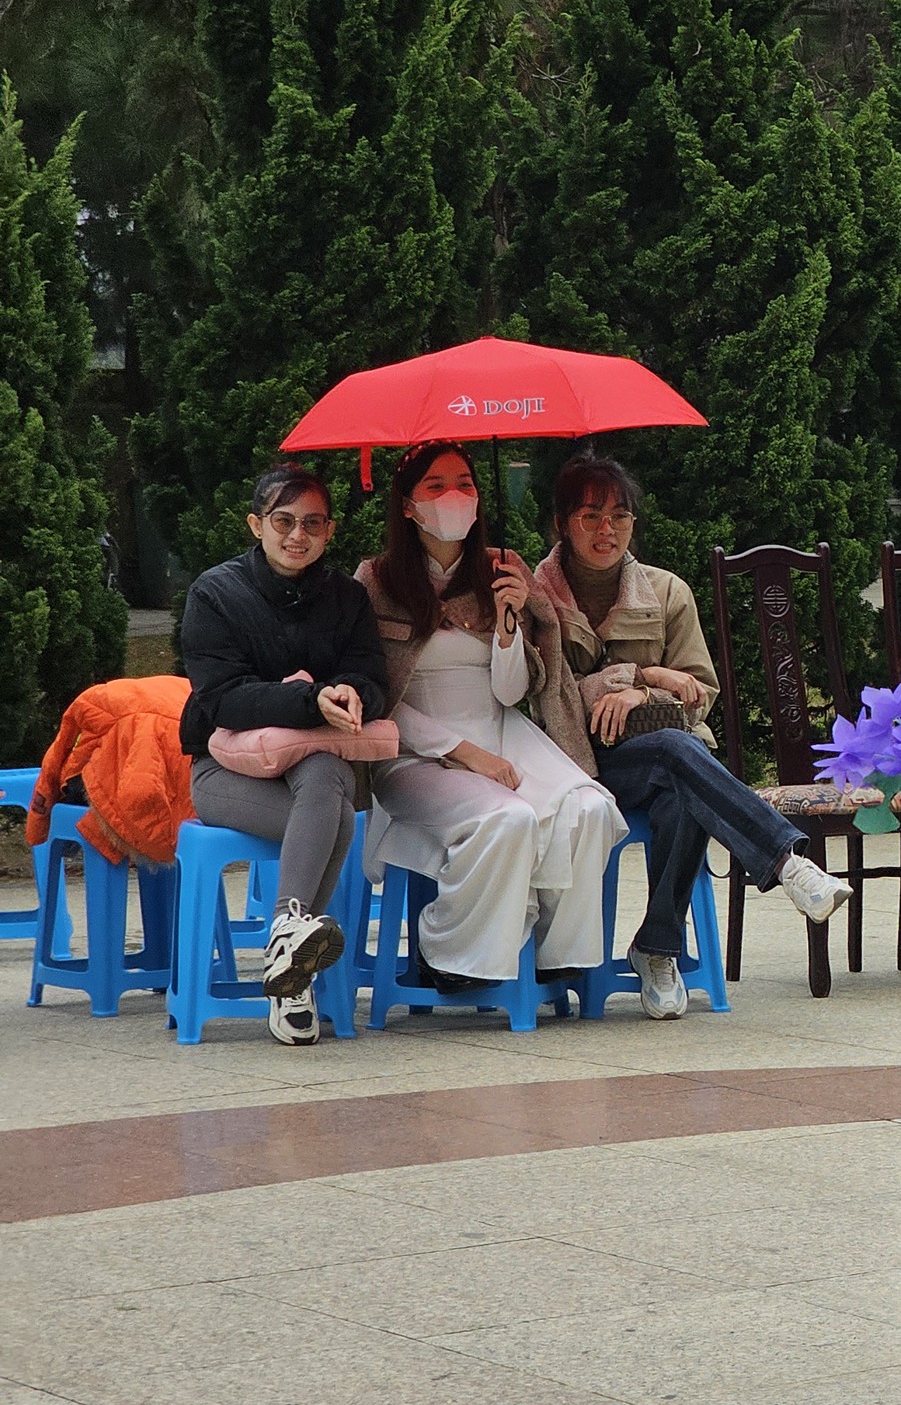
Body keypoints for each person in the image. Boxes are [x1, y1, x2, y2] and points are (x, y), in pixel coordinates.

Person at [531, 455, 853, 1019]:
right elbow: (545, 698)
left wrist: (644, 698)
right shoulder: (538, 599)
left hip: (658, 755)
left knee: (683, 779)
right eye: (590, 516)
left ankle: (656, 948)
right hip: (574, 764)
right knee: (685, 764)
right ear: (561, 522)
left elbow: (699, 692)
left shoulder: (666, 592)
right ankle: (785, 861)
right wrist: (641, 675)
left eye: (620, 516)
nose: (606, 530)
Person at [360, 444, 624, 990]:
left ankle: (557, 952)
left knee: (590, 807)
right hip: (415, 751)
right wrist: (461, 752)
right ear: (407, 506)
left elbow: (513, 691)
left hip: (500, 728)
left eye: (464, 483)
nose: (453, 497)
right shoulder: (377, 581)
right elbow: (374, 696)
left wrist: (508, 623)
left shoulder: (502, 570)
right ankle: (450, 953)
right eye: (436, 486)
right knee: (508, 818)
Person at [177, 464, 390, 1044]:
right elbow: (219, 698)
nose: (298, 535)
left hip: (311, 772)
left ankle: (286, 954)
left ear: (330, 531)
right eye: (284, 521)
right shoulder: (215, 593)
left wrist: (352, 692)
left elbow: (372, 675)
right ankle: (294, 970)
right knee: (338, 815)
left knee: (326, 775)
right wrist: (309, 700)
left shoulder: (347, 597)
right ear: (256, 524)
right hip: (222, 770)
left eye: (312, 523)